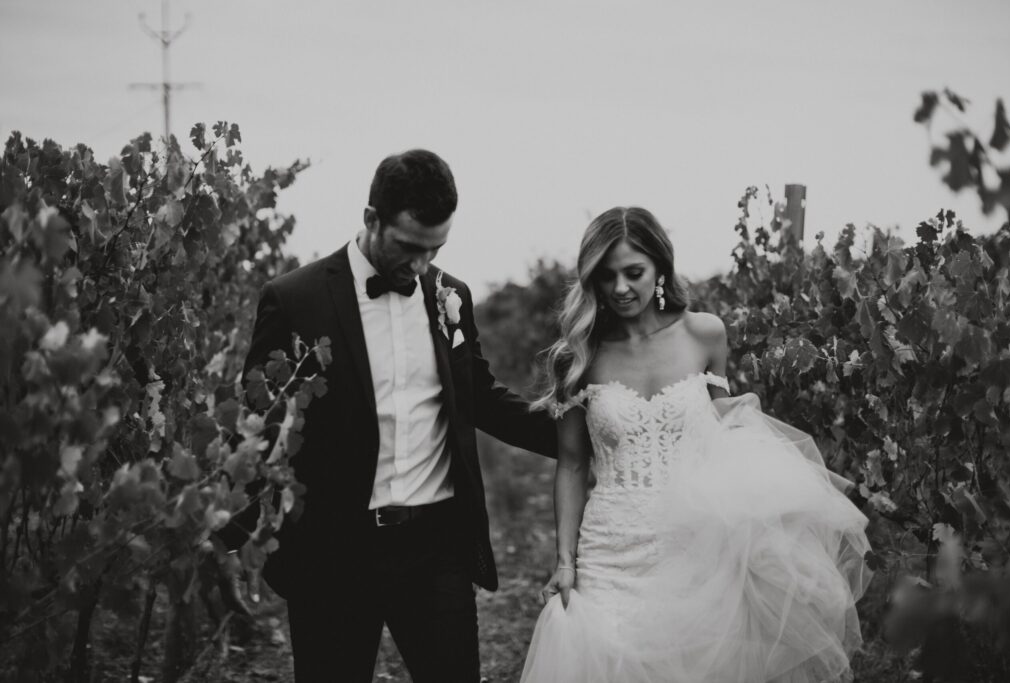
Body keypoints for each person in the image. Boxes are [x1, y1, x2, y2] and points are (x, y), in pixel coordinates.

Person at [236, 149, 557, 682]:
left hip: (435, 550)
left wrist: (574, 434)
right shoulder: (295, 300)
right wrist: (268, 549)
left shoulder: (451, 295)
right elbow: (258, 426)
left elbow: (479, 395)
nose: (421, 266)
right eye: (409, 247)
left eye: (436, 250)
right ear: (370, 219)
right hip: (333, 555)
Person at [520, 207, 871, 683]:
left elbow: (722, 435)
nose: (620, 287)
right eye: (606, 276)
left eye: (633, 272)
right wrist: (565, 561)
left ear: (660, 267)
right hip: (609, 549)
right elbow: (572, 465)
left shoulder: (704, 333)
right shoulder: (578, 356)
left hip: (693, 542)